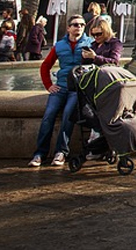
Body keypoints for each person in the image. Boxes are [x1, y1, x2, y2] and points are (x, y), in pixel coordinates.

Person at [29, 16, 91, 168]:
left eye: (82, 25)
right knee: (49, 115)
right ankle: (39, 153)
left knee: (68, 115)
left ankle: (61, 151)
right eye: (76, 25)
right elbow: (45, 66)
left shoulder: (89, 43)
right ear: (68, 28)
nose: (79, 27)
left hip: (77, 88)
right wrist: (49, 85)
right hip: (61, 87)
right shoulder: (59, 45)